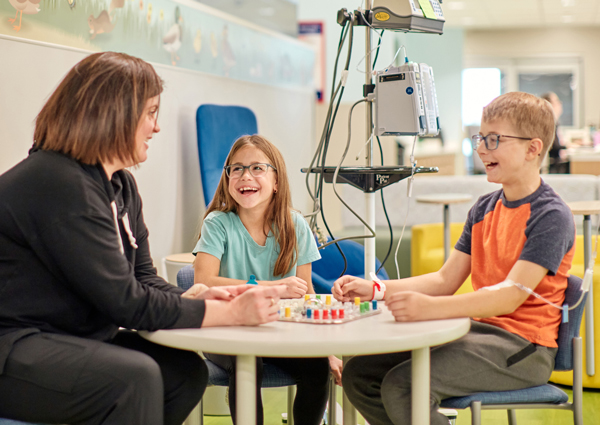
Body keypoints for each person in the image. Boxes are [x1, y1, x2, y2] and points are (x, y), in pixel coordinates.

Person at [0, 52, 284, 425]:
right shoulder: (57, 181)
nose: (156, 127)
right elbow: (125, 303)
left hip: (66, 337)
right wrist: (227, 313)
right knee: (134, 378)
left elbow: (143, 277)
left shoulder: (120, 185)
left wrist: (195, 295)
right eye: (150, 113)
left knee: (183, 372)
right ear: (115, 113)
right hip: (16, 345)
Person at [333, 92, 575, 425]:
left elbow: (510, 295)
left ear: (533, 148)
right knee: (361, 373)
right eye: (480, 139)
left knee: (404, 385)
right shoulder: (484, 208)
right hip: (479, 333)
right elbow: (445, 280)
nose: (481, 149)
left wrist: (430, 309)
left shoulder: (551, 215)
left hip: (524, 349)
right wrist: (377, 289)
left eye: (494, 140)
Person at [193, 134, 341, 425]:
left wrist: (327, 350)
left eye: (257, 168)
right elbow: (205, 281)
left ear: (276, 182)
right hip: (226, 332)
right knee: (247, 362)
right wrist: (273, 287)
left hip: (280, 333)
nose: (245, 175)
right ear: (227, 179)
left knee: (317, 368)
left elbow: (307, 293)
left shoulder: (295, 224)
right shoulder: (217, 224)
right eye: (236, 168)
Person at [541, 91, 570, 174]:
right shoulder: (548, 123)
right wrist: (568, 146)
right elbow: (554, 147)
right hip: (553, 166)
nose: (560, 104)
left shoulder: (555, 122)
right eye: (557, 101)